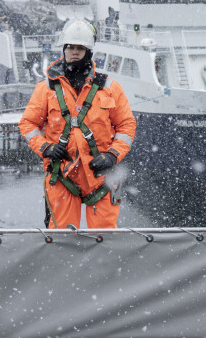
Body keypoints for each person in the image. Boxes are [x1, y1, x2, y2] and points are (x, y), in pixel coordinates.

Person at [19, 20, 136, 229]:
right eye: (70, 47)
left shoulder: (109, 88)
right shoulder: (46, 89)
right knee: (62, 240)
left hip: (101, 175)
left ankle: (101, 263)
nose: (74, 52)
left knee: (105, 239)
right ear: (64, 49)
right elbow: (28, 124)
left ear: (88, 51)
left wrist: (112, 155)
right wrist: (45, 148)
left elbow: (126, 126)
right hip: (62, 173)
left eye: (80, 48)